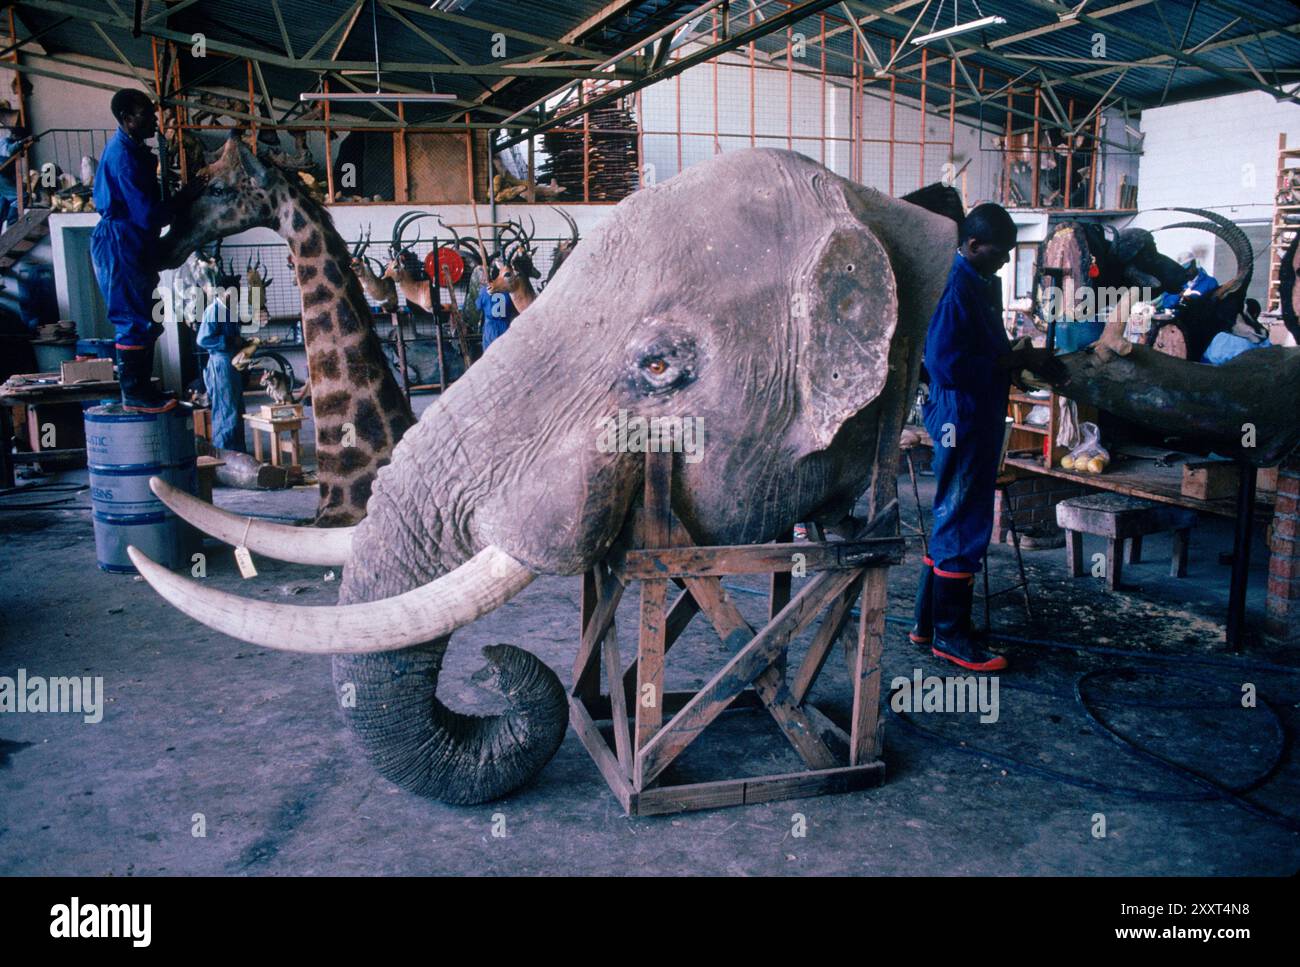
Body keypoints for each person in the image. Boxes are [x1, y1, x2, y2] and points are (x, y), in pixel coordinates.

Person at [910, 203, 1064, 672]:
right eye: (998, 254)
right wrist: (1014, 363)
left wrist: (1016, 356)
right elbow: (945, 366)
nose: (1003, 262)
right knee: (964, 517)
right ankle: (951, 638)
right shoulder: (956, 286)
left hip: (976, 410)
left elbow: (979, 350)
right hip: (963, 413)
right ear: (973, 245)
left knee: (952, 513)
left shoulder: (978, 281)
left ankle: (928, 624)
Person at [92, 88, 177, 412]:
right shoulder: (124, 158)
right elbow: (146, 215)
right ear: (128, 119)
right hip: (120, 241)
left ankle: (143, 391)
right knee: (133, 317)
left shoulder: (134, 150)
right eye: (147, 114)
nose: (155, 119)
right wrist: (179, 205)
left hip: (130, 240)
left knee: (147, 315)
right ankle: (135, 395)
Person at [196, 269, 247, 451]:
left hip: (231, 363)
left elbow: (234, 337)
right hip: (220, 364)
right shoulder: (213, 311)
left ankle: (238, 453)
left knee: (236, 409)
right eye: (236, 293)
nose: (238, 296)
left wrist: (245, 343)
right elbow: (202, 339)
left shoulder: (229, 311)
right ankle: (224, 453)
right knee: (226, 410)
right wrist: (229, 341)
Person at [0, 124, 30, 232]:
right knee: (20, 197)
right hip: (1, 176)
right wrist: (22, 142)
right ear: (15, 136)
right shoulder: (5, 142)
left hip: (4, 177)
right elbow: (8, 151)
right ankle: (12, 225)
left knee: (3, 204)